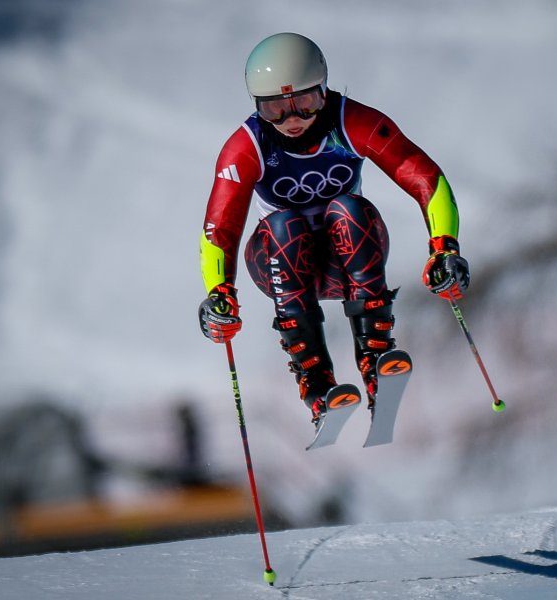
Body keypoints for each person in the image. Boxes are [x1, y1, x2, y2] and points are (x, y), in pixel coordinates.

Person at [198, 32, 470, 427]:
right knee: (283, 224)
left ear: (324, 91)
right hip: (282, 265)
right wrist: (218, 293)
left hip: (353, 257)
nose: (292, 120)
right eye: (275, 109)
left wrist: (445, 247)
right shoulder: (248, 146)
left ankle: (376, 356)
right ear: (257, 106)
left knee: (348, 209)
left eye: (304, 103)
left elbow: (425, 178)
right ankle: (315, 380)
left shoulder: (351, 121)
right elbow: (219, 226)